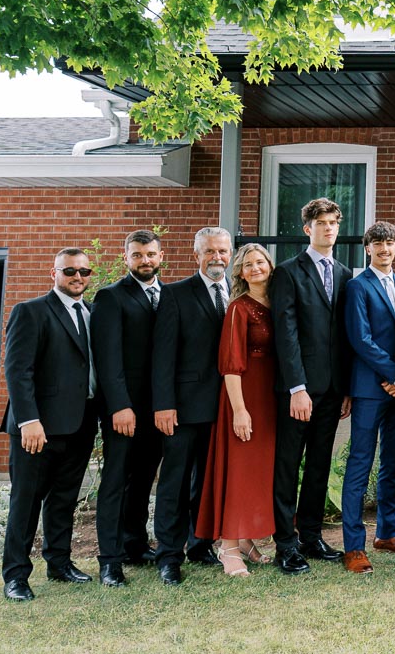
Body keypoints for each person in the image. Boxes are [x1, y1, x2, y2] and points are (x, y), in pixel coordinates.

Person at [0, 251, 97, 601]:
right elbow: (17, 369)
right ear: (54, 272)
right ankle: (15, 577)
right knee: (25, 502)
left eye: (84, 270)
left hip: (82, 423)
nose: (77, 276)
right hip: (37, 428)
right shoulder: (31, 311)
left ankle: (59, 562)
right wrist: (28, 420)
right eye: (70, 270)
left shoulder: (91, 312)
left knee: (63, 500)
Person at [269, 198, 354, 575]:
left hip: (334, 388)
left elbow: (346, 335)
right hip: (299, 391)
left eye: (334, 222)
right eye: (321, 223)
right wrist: (296, 387)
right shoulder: (288, 272)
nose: (329, 228)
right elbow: (285, 334)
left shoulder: (346, 272)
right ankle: (285, 544)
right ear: (308, 229)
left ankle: (311, 535)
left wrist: (347, 387)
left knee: (320, 465)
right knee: (287, 466)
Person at [151, 226, 232, 585]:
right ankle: (168, 555)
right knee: (175, 482)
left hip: (225, 407)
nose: (217, 258)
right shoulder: (175, 294)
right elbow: (163, 355)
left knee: (208, 481)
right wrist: (164, 404)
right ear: (196, 255)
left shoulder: (239, 292)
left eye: (223, 251)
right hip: (182, 408)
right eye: (210, 251)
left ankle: (200, 545)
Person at [195, 244, 279, 577]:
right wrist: (239, 410)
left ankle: (245, 539)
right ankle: (228, 545)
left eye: (260, 262)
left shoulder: (276, 304)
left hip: (270, 397)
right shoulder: (238, 309)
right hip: (243, 396)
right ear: (241, 272)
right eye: (248, 264)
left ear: (270, 266)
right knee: (238, 470)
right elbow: (230, 365)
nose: (255, 268)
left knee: (258, 472)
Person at [91, 229, 166, 586]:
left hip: (158, 410)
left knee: (142, 480)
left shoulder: (168, 295)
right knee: (116, 481)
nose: (145, 261)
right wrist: (120, 405)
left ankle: (135, 545)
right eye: (137, 255)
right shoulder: (110, 297)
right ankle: (109, 561)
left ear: (160, 256)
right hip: (124, 410)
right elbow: (108, 359)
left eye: (150, 254)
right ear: (126, 259)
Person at [341, 221, 395, 574]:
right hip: (371, 389)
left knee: (392, 465)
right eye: (378, 243)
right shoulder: (357, 286)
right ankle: (353, 546)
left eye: (390, 243)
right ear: (367, 248)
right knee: (360, 464)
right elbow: (360, 339)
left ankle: (387, 532)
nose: (385, 249)